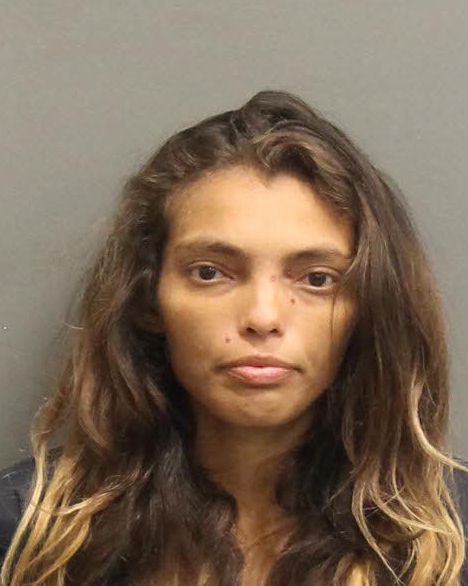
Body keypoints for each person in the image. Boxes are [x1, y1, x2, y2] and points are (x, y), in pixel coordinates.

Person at [0, 89, 467, 586]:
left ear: (369, 306)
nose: (263, 317)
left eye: (316, 279)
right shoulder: (31, 531)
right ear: (148, 297)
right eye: (210, 272)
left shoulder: (452, 536)